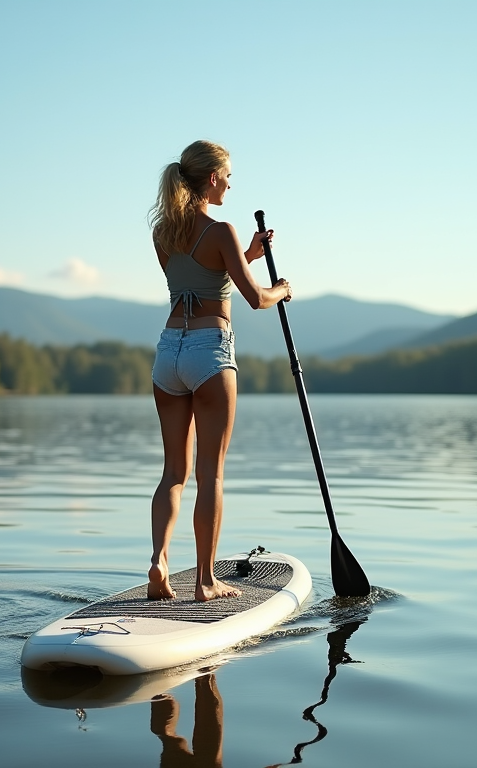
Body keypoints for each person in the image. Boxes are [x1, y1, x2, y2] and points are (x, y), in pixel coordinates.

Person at [147, 140, 292, 602]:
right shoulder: (221, 229)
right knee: (211, 474)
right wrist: (281, 289)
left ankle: (159, 563)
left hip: (169, 351)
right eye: (228, 175)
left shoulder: (163, 234)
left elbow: (198, 275)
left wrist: (245, 254)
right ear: (212, 178)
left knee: (174, 473)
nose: (231, 183)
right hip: (210, 351)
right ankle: (206, 581)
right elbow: (253, 298)